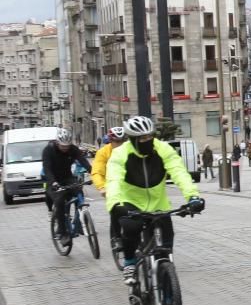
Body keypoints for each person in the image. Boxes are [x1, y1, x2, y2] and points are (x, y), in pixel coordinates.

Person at [105, 116, 204, 285]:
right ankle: (129, 262)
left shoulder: (163, 149)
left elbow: (179, 172)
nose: (147, 141)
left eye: (150, 136)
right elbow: (113, 179)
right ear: (133, 139)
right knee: (131, 228)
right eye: (143, 138)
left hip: (158, 205)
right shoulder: (120, 153)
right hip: (131, 202)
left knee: (165, 249)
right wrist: (115, 204)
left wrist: (192, 196)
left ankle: (167, 293)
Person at [42, 128, 92, 245]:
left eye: (67, 146)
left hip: (67, 177)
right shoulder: (48, 151)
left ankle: (79, 222)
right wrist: (53, 182)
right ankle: (62, 232)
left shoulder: (72, 149)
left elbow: (83, 161)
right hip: (53, 180)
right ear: (57, 143)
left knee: (79, 191)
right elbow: (47, 169)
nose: (65, 148)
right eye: (62, 146)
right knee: (59, 201)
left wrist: (94, 173)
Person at [91, 127, 126, 196]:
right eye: (117, 142)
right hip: (114, 188)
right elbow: (97, 171)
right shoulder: (103, 152)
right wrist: (102, 187)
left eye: (122, 142)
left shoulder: (131, 149)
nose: (120, 144)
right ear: (110, 141)